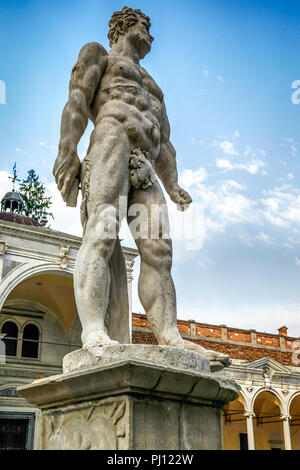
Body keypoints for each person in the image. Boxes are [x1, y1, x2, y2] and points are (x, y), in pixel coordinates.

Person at [53, 6, 230, 371]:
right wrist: (67, 152)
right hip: (111, 140)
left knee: (159, 254)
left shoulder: (154, 86)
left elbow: (164, 142)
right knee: (101, 233)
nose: (150, 33)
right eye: (144, 25)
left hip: (145, 163)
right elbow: (76, 102)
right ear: (121, 27)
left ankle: (169, 335)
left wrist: (174, 183)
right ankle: (94, 333)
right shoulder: (97, 55)